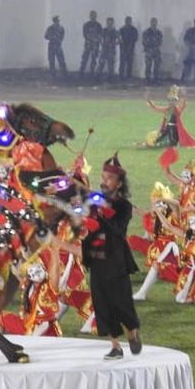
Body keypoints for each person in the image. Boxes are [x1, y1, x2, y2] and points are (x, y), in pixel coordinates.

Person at [78, 153, 142, 360]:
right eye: (103, 177)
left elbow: (118, 230)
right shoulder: (94, 200)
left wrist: (104, 214)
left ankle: (132, 331)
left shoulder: (124, 206)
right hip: (96, 259)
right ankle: (115, 346)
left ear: (119, 183)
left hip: (116, 261)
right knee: (102, 303)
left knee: (121, 302)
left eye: (110, 178)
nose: (105, 181)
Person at [79, 10, 102, 79]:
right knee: (85, 58)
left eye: (95, 16)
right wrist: (92, 38)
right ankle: (81, 71)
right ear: (90, 16)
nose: (93, 17)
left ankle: (92, 72)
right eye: (92, 15)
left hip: (95, 45)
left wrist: (96, 39)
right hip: (88, 44)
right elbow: (85, 34)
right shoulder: (86, 25)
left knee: (94, 59)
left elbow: (100, 35)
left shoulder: (99, 25)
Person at [44, 16, 67, 81]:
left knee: (61, 60)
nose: (56, 22)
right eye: (55, 21)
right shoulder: (50, 28)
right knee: (51, 60)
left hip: (57, 45)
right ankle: (53, 74)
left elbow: (62, 36)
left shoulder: (61, 28)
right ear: (54, 21)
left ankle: (64, 74)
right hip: (51, 45)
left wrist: (57, 40)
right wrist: (51, 37)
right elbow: (45, 36)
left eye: (57, 21)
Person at [97, 17, 119, 83]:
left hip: (111, 50)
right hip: (104, 49)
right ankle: (98, 78)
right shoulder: (104, 30)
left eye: (111, 23)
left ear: (112, 23)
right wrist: (102, 43)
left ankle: (111, 78)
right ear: (106, 23)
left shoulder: (115, 31)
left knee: (111, 65)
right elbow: (99, 38)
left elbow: (120, 40)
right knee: (101, 64)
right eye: (108, 23)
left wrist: (114, 43)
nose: (109, 24)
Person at [142, 18, 163, 84]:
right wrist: (149, 46)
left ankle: (155, 79)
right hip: (149, 51)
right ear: (150, 23)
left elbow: (160, 41)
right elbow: (144, 42)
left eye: (155, 22)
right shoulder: (146, 32)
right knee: (148, 66)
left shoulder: (159, 32)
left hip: (156, 51)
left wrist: (155, 45)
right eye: (153, 22)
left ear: (156, 23)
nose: (154, 24)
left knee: (157, 66)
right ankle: (147, 79)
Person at [118, 16, 139, 80]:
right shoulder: (121, 29)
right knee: (122, 63)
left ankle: (128, 77)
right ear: (125, 21)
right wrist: (123, 44)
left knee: (130, 64)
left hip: (131, 48)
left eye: (129, 21)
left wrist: (130, 45)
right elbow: (119, 39)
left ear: (131, 21)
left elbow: (135, 38)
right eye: (127, 20)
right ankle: (121, 77)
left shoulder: (134, 30)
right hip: (123, 49)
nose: (128, 22)